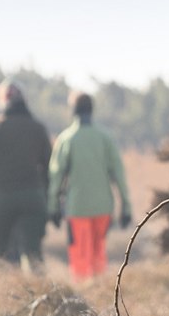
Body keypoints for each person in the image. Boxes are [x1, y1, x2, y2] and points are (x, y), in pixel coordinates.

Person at [47, 92, 133, 282]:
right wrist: (126, 206)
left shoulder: (66, 139)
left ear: (73, 110)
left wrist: (52, 206)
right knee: (98, 253)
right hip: (103, 207)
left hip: (77, 207)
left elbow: (56, 176)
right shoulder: (105, 138)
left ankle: (84, 297)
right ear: (92, 110)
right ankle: (100, 292)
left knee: (80, 256)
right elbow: (119, 174)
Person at [0, 79, 53, 272]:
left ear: (2, 101)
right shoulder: (38, 128)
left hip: (0, 199)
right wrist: (50, 200)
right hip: (33, 198)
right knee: (33, 257)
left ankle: (0, 298)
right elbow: (49, 167)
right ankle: (40, 296)